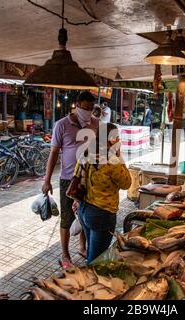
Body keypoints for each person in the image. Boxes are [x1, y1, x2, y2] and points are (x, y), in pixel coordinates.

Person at [42, 91, 100, 268]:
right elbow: (53, 154)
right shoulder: (62, 125)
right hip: (69, 179)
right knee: (67, 218)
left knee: (86, 216)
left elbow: (102, 151)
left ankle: (83, 246)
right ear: (76, 105)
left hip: (89, 178)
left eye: (91, 109)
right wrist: (46, 180)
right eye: (85, 108)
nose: (88, 112)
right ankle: (65, 254)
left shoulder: (96, 124)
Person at [76, 123, 131, 263]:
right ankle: (89, 281)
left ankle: (87, 273)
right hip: (102, 213)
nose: (119, 140)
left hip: (84, 210)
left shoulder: (86, 152)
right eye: (117, 137)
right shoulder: (112, 160)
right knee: (97, 259)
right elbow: (127, 183)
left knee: (91, 251)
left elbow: (76, 177)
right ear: (111, 139)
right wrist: (120, 157)